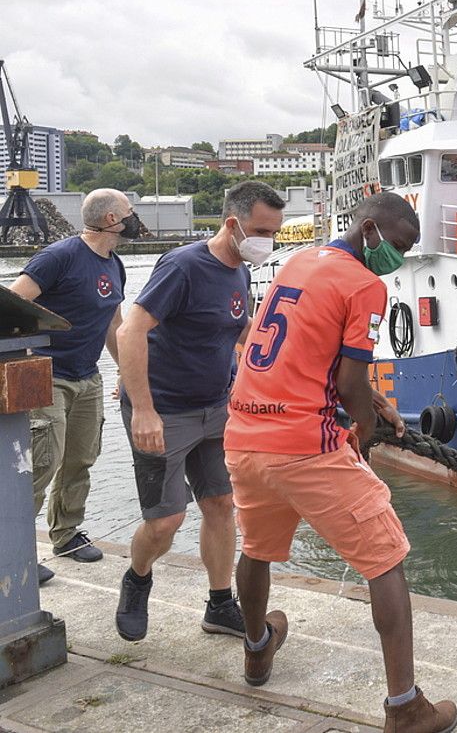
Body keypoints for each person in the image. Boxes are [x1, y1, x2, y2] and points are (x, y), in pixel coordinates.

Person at [223, 192, 457, 733]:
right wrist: (365, 431)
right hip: (306, 447)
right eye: (399, 245)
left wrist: (370, 400)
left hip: (245, 436)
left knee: (256, 549)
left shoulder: (300, 263)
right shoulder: (364, 285)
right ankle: (405, 707)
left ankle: (257, 649)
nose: (400, 257)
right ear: (370, 229)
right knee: (386, 558)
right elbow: (349, 381)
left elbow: (302, 352)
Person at [112, 182, 285, 641]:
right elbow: (132, 331)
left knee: (221, 503)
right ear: (232, 224)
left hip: (215, 407)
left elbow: (235, 325)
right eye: (261, 230)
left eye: (275, 232)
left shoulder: (239, 271)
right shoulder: (184, 266)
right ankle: (138, 577)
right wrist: (143, 410)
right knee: (166, 520)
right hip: (164, 410)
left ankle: (219, 604)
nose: (267, 241)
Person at [10, 189, 137, 585]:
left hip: (87, 377)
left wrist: (128, 372)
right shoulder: (59, 257)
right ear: (112, 218)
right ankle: (15, 549)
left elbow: (113, 325)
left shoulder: (115, 265)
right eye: (130, 212)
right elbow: (14, 303)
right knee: (42, 463)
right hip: (47, 376)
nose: (134, 219)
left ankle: (65, 534)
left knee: (81, 458)